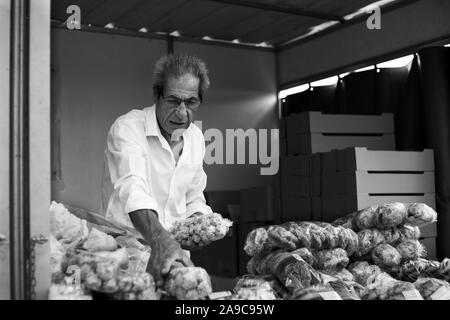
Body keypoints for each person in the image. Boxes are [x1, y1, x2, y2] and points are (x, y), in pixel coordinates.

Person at [101, 53, 213, 287]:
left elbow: (194, 196)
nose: (182, 113)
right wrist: (161, 241)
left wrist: (200, 223)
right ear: (156, 94)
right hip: (127, 257)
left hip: (175, 261)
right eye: (173, 101)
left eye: (191, 102)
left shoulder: (196, 138)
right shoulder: (129, 128)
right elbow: (134, 190)